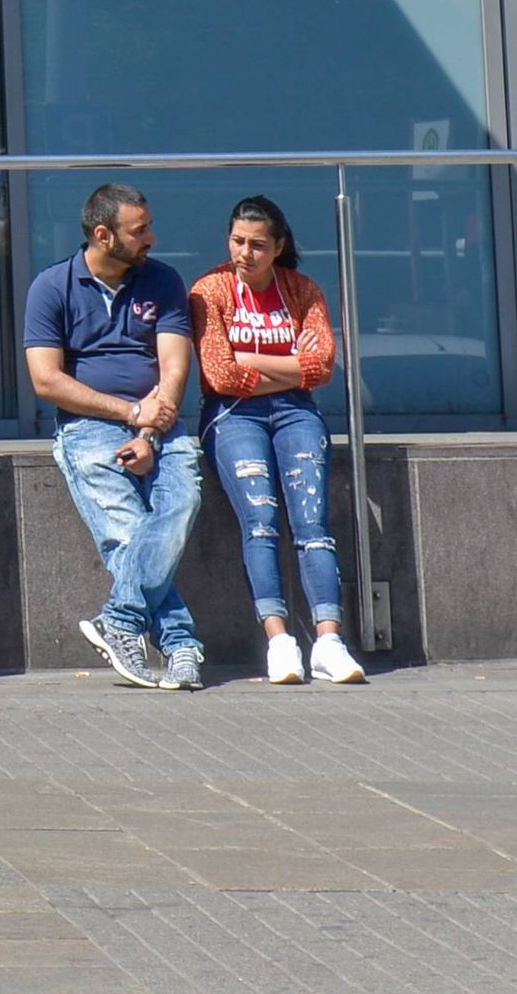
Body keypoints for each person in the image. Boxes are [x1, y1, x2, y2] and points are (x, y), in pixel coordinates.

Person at [22, 182, 204, 688]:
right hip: (89, 428)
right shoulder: (52, 287)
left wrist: (148, 427)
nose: (152, 238)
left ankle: (120, 621)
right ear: (104, 235)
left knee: (181, 504)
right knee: (127, 529)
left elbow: (173, 365)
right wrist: (128, 411)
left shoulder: (163, 281)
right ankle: (181, 642)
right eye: (139, 230)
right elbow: (47, 380)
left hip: (162, 424)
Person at [192, 197, 361, 685]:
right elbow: (219, 375)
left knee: (312, 522)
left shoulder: (302, 290)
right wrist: (288, 368)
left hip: (296, 414)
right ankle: (280, 640)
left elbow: (321, 367)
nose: (245, 253)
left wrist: (251, 359)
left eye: (258, 245)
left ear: (279, 247)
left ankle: (329, 641)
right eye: (237, 241)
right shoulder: (211, 290)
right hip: (232, 416)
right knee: (261, 521)